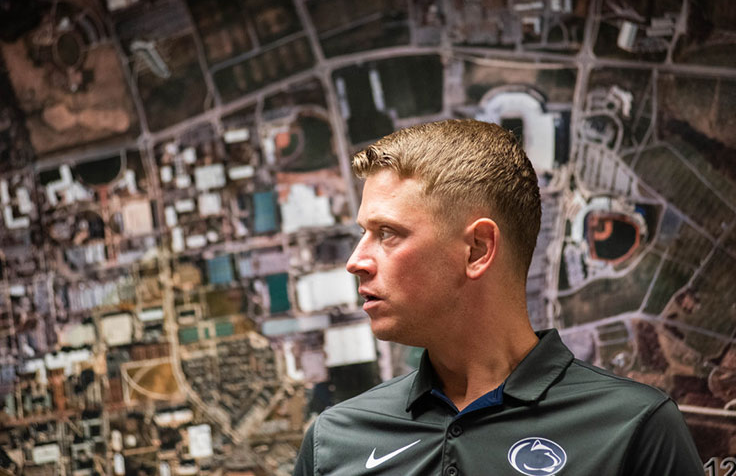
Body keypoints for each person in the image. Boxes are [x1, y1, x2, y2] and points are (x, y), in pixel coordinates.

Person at [293, 119, 704, 475]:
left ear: (477, 249)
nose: (355, 261)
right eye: (362, 234)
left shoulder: (633, 429)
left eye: (387, 234)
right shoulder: (333, 443)